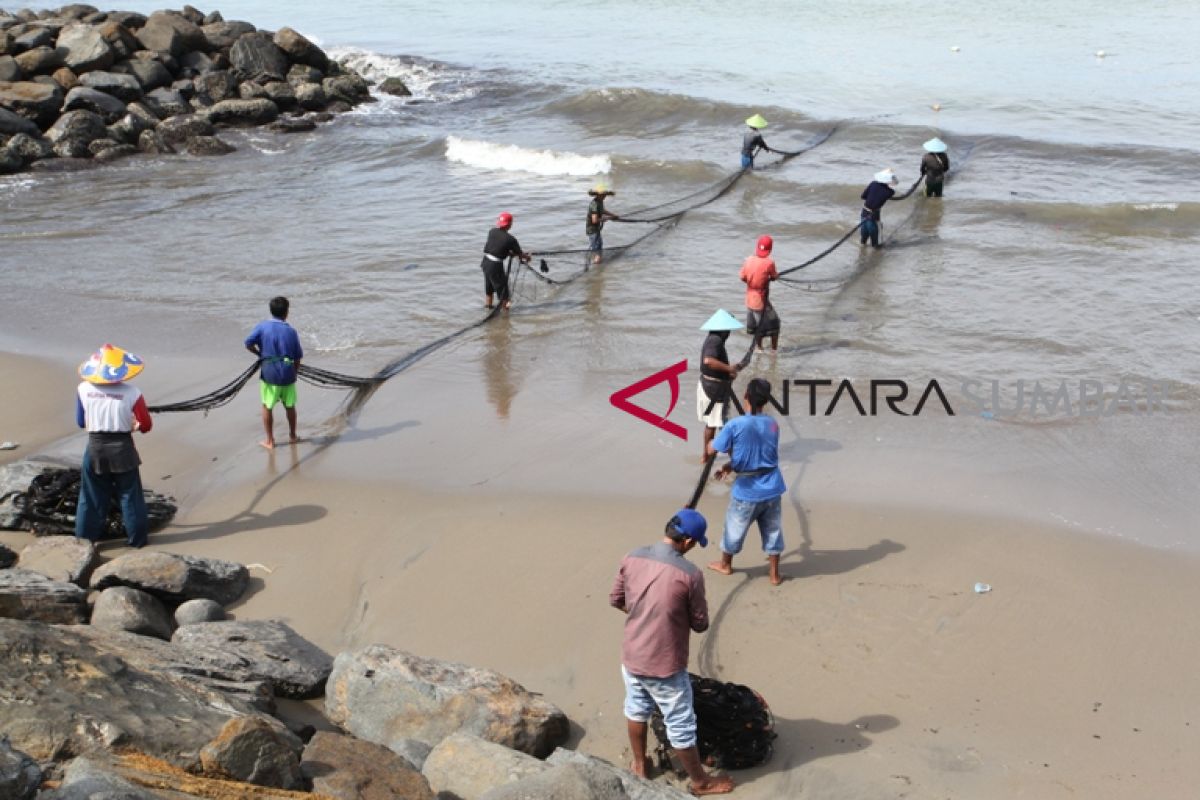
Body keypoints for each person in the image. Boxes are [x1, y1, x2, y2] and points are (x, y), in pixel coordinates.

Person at [610, 509, 735, 796]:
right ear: (688, 541)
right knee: (680, 723)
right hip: (664, 664)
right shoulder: (690, 574)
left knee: (636, 708)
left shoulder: (632, 556)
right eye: (695, 543)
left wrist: (644, 614)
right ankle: (701, 782)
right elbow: (701, 623)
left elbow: (616, 599)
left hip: (631, 656)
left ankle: (640, 765)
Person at [705, 378, 786, 586]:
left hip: (747, 491)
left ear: (746, 396)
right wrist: (730, 466)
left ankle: (725, 564)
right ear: (765, 401)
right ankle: (774, 575)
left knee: (734, 528)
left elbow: (713, 448)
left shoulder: (736, 424)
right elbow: (760, 455)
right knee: (773, 530)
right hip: (772, 487)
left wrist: (710, 441)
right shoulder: (772, 424)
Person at [74, 344, 153, 548]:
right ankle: (137, 541)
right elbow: (145, 425)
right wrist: (134, 425)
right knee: (130, 496)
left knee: (90, 497)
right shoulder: (133, 393)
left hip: (95, 447)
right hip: (122, 448)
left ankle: (84, 542)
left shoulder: (83, 389)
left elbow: (81, 422)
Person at [245, 296, 303, 450]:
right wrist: (294, 373)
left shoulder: (262, 327)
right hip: (288, 372)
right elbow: (297, 357)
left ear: (271, 311)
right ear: (286, 313)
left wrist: (259, 354)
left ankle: (270, 441)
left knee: (267, 406)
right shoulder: (291, 331)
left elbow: (248, 343)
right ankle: (292, 436)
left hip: (269, 373)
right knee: (290, 405)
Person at [697, 309, 742, 463]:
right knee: (724, 426)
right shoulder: (715, 340)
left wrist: (728, 372)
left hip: (709, 384)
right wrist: (729, 369)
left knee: (712, 423)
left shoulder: (713, 338)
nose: (729, 333)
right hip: (713, 389)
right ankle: (735, 461)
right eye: (728, 330)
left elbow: (712, 364)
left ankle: (706, 456)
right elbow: (708, 361)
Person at [481, 211, 531, 310]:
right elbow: (520, 255)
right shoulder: (511, 239)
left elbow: (494, 248)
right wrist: (527, 257)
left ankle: (488, 306)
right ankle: (505, 316)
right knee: (504, 294)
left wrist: (509, 253)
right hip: (495, 266)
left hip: (485, 263)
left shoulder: (492, 231)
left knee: (489, 289)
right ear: (510, 225)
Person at [740, 234, 780, 352]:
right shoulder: (769, 263)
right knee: (775, 324)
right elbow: (774, 276)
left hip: (749, 299)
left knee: (756, 326)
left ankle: (759, 347)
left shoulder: (748, 260)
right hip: (760, 301)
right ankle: (774, 351)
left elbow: (742, 277)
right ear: (770, 249)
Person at [860, 168, 899, 248]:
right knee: (875, 244)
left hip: (864, 212)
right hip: (873, 215)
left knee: (863, 240)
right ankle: (875, 256)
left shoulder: (873, 183)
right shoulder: (890, 192)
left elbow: (863, 196)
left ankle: (862, 252)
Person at [586, 184, 619, 265]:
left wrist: (612, 215)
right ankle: (597, 268)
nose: (605, 196)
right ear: (598, 194)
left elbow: (603, 210)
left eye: (605, 195)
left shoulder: (600, 201)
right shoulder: (594, 204)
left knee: (599, 246)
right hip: (592, 229)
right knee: (597, 249)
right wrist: (607, 219)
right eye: (603, 194)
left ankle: (598, 264)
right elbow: (594, 220)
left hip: (596, 229)